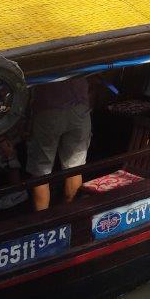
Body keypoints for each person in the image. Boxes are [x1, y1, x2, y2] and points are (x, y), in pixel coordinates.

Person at [26, 77, 92, 211]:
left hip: (47, 109)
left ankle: (43, 220)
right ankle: (69, 215)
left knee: (41, 171)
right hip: (80, 109)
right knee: (74, 168)